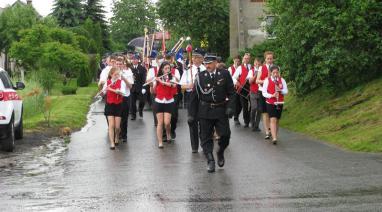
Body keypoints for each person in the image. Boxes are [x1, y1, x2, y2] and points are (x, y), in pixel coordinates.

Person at [190, 55, 235, 173]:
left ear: (216, 62)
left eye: (210, 63)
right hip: (205, 110)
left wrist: (230, 107)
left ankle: (220, 152)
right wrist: (191, 114)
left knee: (225, 135)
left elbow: (232, 93)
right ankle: (210, 160)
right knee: (205, 137)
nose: (207, 66)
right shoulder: (200, 77)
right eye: (206, 63)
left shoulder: (224, 74)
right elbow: (194, 97)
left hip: (220, 109)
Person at [179, 49, 206, 153]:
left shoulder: (205, 69)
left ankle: (204, 143)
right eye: (193, 57)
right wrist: (188, 86)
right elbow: (181, 86)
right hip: (191, 97)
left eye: (196, 57)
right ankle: (194, 146)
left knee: (204, 122)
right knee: (192, 121)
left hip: (204, 97)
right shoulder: (187, 70)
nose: (194, 59)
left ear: (201, 59)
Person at [153, 62, 179, 148]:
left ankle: (168, 133)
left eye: (169, 68)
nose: (168, 70)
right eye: (166, 68)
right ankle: (160, 142)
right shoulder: (158, 77)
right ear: (162, 70)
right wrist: (153, 83)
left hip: (169, 101)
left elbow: (173, 85)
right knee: (160, 123)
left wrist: (161, 81)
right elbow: (153, 90)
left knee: (167, 123)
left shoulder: (172, 77)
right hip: (159, 101)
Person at [102, 67, 127, 150]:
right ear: (111, 75)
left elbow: (123, 92)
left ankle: (117, 136)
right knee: (111, 125)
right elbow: (103, 93)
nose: (117, 76)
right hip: (109, 105)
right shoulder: (107, 82)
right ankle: (112, 143)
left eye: (118, 74)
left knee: (117, 127)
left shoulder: (121, 82)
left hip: (118, 105)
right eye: (115, 74)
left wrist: (114, 90)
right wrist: (103, 91)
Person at [262, 65, 288, 144]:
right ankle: (274, 138)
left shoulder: (282, 80)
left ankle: (275, 135)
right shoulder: (267, 80)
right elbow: (264, 93)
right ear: (271, 73)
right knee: (272, 119)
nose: (276, 74)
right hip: (270, 102)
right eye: (274, 73)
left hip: (279, 102)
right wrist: (271, 95)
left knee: (277, 120)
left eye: (277, 72)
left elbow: (286, 91)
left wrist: (281, 90)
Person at [256, 51, 274, 139]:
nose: (270, 60)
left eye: (271, 58)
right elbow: (257, 81)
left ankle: (272, 128)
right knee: (265, 112)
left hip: (272, 93)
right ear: (265, 59)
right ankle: (267, 131)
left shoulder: (276, 68)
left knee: (272, 112)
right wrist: (266, 81)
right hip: (263, 92)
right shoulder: (261, 68)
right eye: (268, 59)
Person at [164, 53, 181, 139]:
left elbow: (178, 81)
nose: (168, 61)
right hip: (164, 96)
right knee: (164, 116)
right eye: (166, 60)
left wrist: (172, 74)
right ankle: (165, 133)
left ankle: (172, 129)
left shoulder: (176, 70)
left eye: (169, 60)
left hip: (174, 95)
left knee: (174, 115)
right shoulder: (161, 71)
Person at [232, 53, 251, 128]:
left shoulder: (252, 67)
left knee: (252, 106)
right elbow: (233, 77)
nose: (246, 60)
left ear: (250, 59)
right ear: (243, 59)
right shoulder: (240, 68)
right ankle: (246, 121)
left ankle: (249, 118)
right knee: (244, 106)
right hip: (242, 89)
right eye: (245, 58)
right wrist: (236, 82)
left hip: (250, 89)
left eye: (248, 58)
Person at [118, 57, 134, 142]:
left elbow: (130, 86)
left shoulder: (128, 72)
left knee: (124, 117)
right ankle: (118, 134)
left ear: (124, 64)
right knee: (117, 117)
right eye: (117, 64)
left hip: (125, 97)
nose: (119, 66)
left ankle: (124, 135)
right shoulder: (113, 72)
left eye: (120, 64)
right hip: (116, 97)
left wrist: (124, 78)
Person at [130, 55, 147, 120]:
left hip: (140, 87)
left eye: (135, 59)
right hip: (132, 88)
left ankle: (140, 110)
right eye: (133, 59)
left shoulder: (142, 68)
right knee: (132, 103)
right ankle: (133, 115)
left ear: (138, 60)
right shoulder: (130, 68)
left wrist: (144, 87)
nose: (134, 60)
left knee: (142, 101)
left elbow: (144, 79)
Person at [248, 58, 262, 132]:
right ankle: (252, 123)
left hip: (260, 92)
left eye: (259, 63)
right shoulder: (251, 71)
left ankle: (256, 126)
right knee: (254, 108)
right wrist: (256, 74)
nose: (257, 65)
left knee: (260, 110)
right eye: (256, 63)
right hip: (253, 92)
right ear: (254, 64)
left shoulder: (262, 70)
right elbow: (250, 81)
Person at [228, 55, 243, 125]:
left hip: (240, 88)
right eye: (235, 61)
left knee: (240, 104)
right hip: (233, 89)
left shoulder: (241, 68)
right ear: (233, 60)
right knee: (236, 103)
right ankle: (236, 117)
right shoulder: (230, 69)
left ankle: (236, 115)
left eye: (238, 61)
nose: (237, 62)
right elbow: (229, 78)